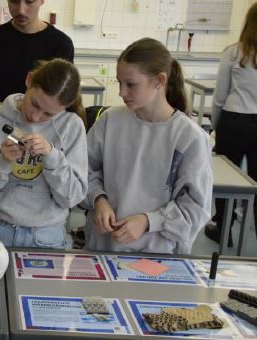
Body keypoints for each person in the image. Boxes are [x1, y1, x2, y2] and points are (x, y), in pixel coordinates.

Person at [84, 38, 212, 254]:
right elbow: (84, 171)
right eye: (119, 83)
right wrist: (99, 199)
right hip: (104, 249)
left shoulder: (190, 137)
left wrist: (148, 221)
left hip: (158, 254)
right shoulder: (110, 120)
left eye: (131, 84)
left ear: (160, 81)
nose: (121, 92)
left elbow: (195, 209)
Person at [0, 59, 87, 248]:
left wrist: (52, 156)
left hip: (49, 237)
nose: (35, 117)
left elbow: (73, 198)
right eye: (35, 104)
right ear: (29, 80)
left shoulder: (71, 126)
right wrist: (2, 162)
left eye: (48, 115)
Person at [206, 1, 257, 245]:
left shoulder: (233, 53)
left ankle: (222, 228)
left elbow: (219, 97)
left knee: (225, 177)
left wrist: (215, 127)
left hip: (234, 120)